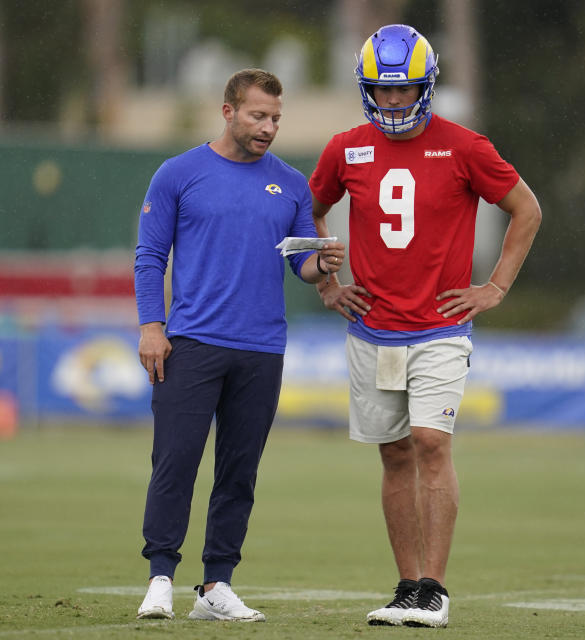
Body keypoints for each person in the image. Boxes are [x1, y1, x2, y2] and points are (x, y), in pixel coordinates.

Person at [309, 24, 542, 628]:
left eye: (403, 90)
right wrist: (327, 280)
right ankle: (407, 586)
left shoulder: (465, 145)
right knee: (393, 456)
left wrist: (495, 287)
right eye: (381, 92)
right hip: (372, 327)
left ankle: (435, 590)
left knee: (432, 444)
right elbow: (306, 209)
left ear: (426, 86)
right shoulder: (344, 148)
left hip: (439, 326)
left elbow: (526, 208)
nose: (392, 102)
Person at [134, 68, 345, 622]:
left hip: (261, 349)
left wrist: (319, 264)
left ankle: (216, 587)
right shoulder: (178, 173)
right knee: (175, 462)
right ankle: (160, 577)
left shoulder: (293, 185)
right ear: (227, 111)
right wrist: (151, 326)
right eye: (258, 115)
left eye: (276, 118)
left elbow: (299, 262)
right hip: (191, 344)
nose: (268, 127)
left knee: (238, 472)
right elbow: (150, 256)